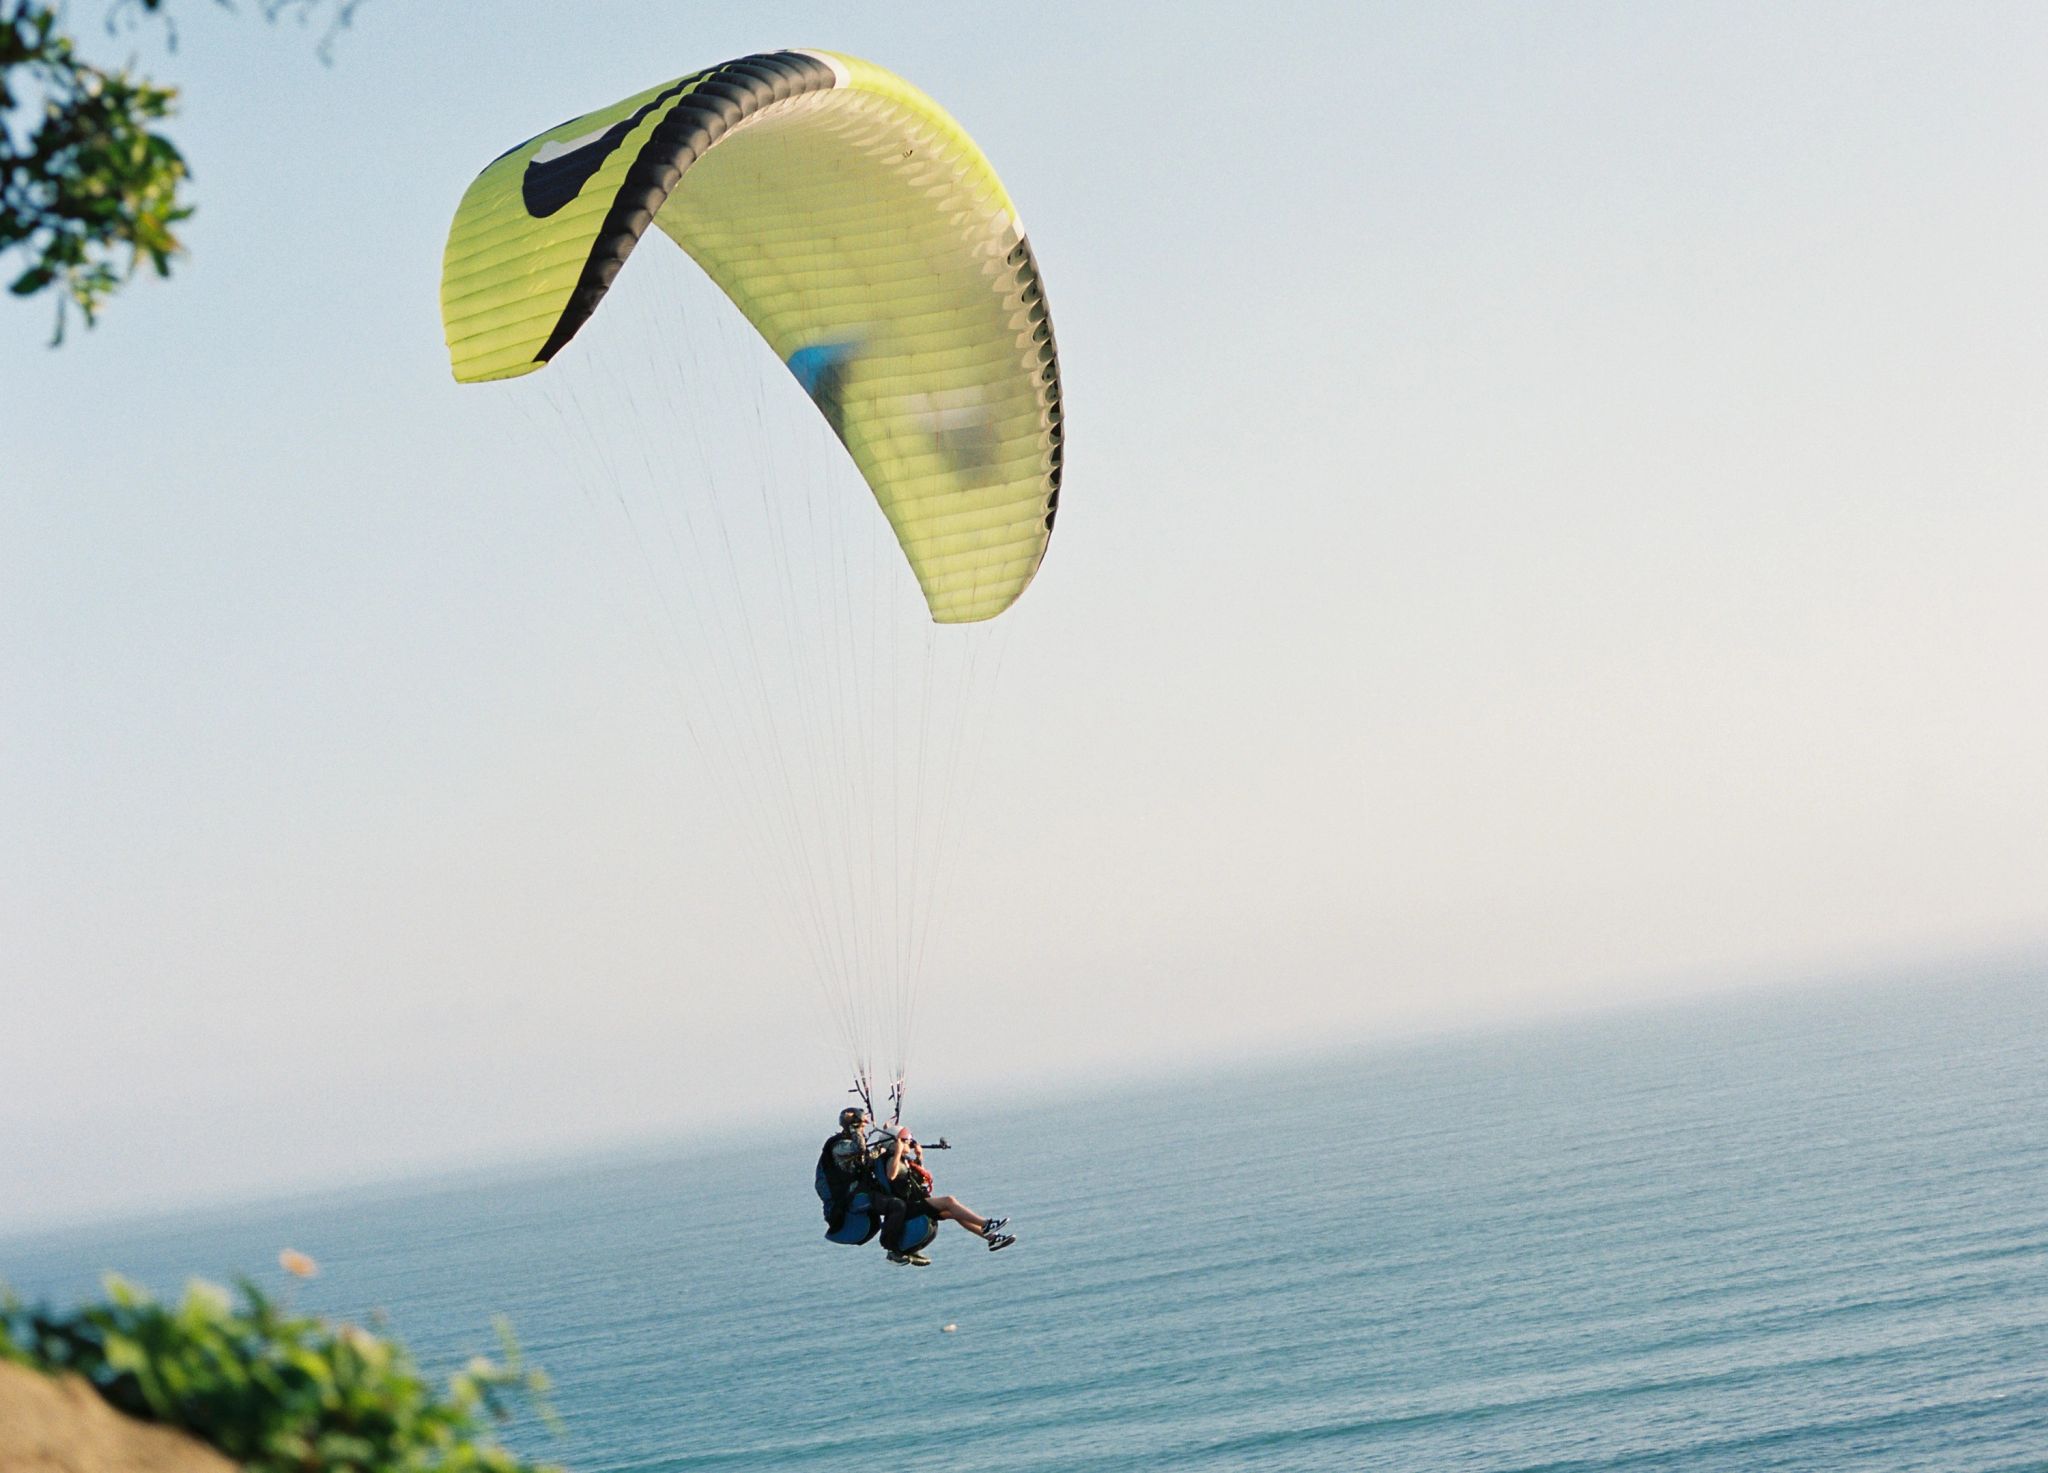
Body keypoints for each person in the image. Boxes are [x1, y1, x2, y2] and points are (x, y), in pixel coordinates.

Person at [880, 1127, 1017, 1253]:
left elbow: (919, 1179)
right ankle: (986, 1224)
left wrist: (919, 1157)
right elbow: (891, 1175)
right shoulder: (892, 1160)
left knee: (953, 1213)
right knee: (949, 1201)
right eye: (906, 1140)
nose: (909, 1142)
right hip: (909, 1207)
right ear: (895, 1144)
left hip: (917, 1202)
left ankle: (992, 1239)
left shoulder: (904, 1160)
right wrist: (898, 1152)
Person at [817, 1106, 905, 1248]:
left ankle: (900, 1240)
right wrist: (854, 1127)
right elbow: (860, 1148)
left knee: (897, 1199)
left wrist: (887, 1139)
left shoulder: (850, 1145)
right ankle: (893, 1248)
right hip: (851, 1198)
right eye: (862, 1125)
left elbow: (868, 1159)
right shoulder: (839, 1146)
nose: (863, 1129)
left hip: (860, 1192)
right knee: (896, 1206)